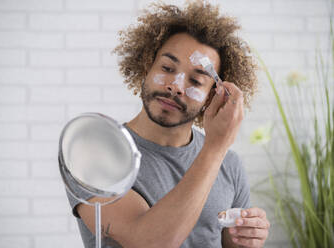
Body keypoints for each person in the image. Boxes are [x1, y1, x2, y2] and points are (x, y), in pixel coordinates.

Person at [64, 1, 270, 247]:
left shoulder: (229, 164)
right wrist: (215, 148)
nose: (176, 85)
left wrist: (247, 238)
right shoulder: (93, 154)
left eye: (195, 81)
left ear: (212, 97)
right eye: (167, 67)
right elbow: (149, 242)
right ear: (146, 67)